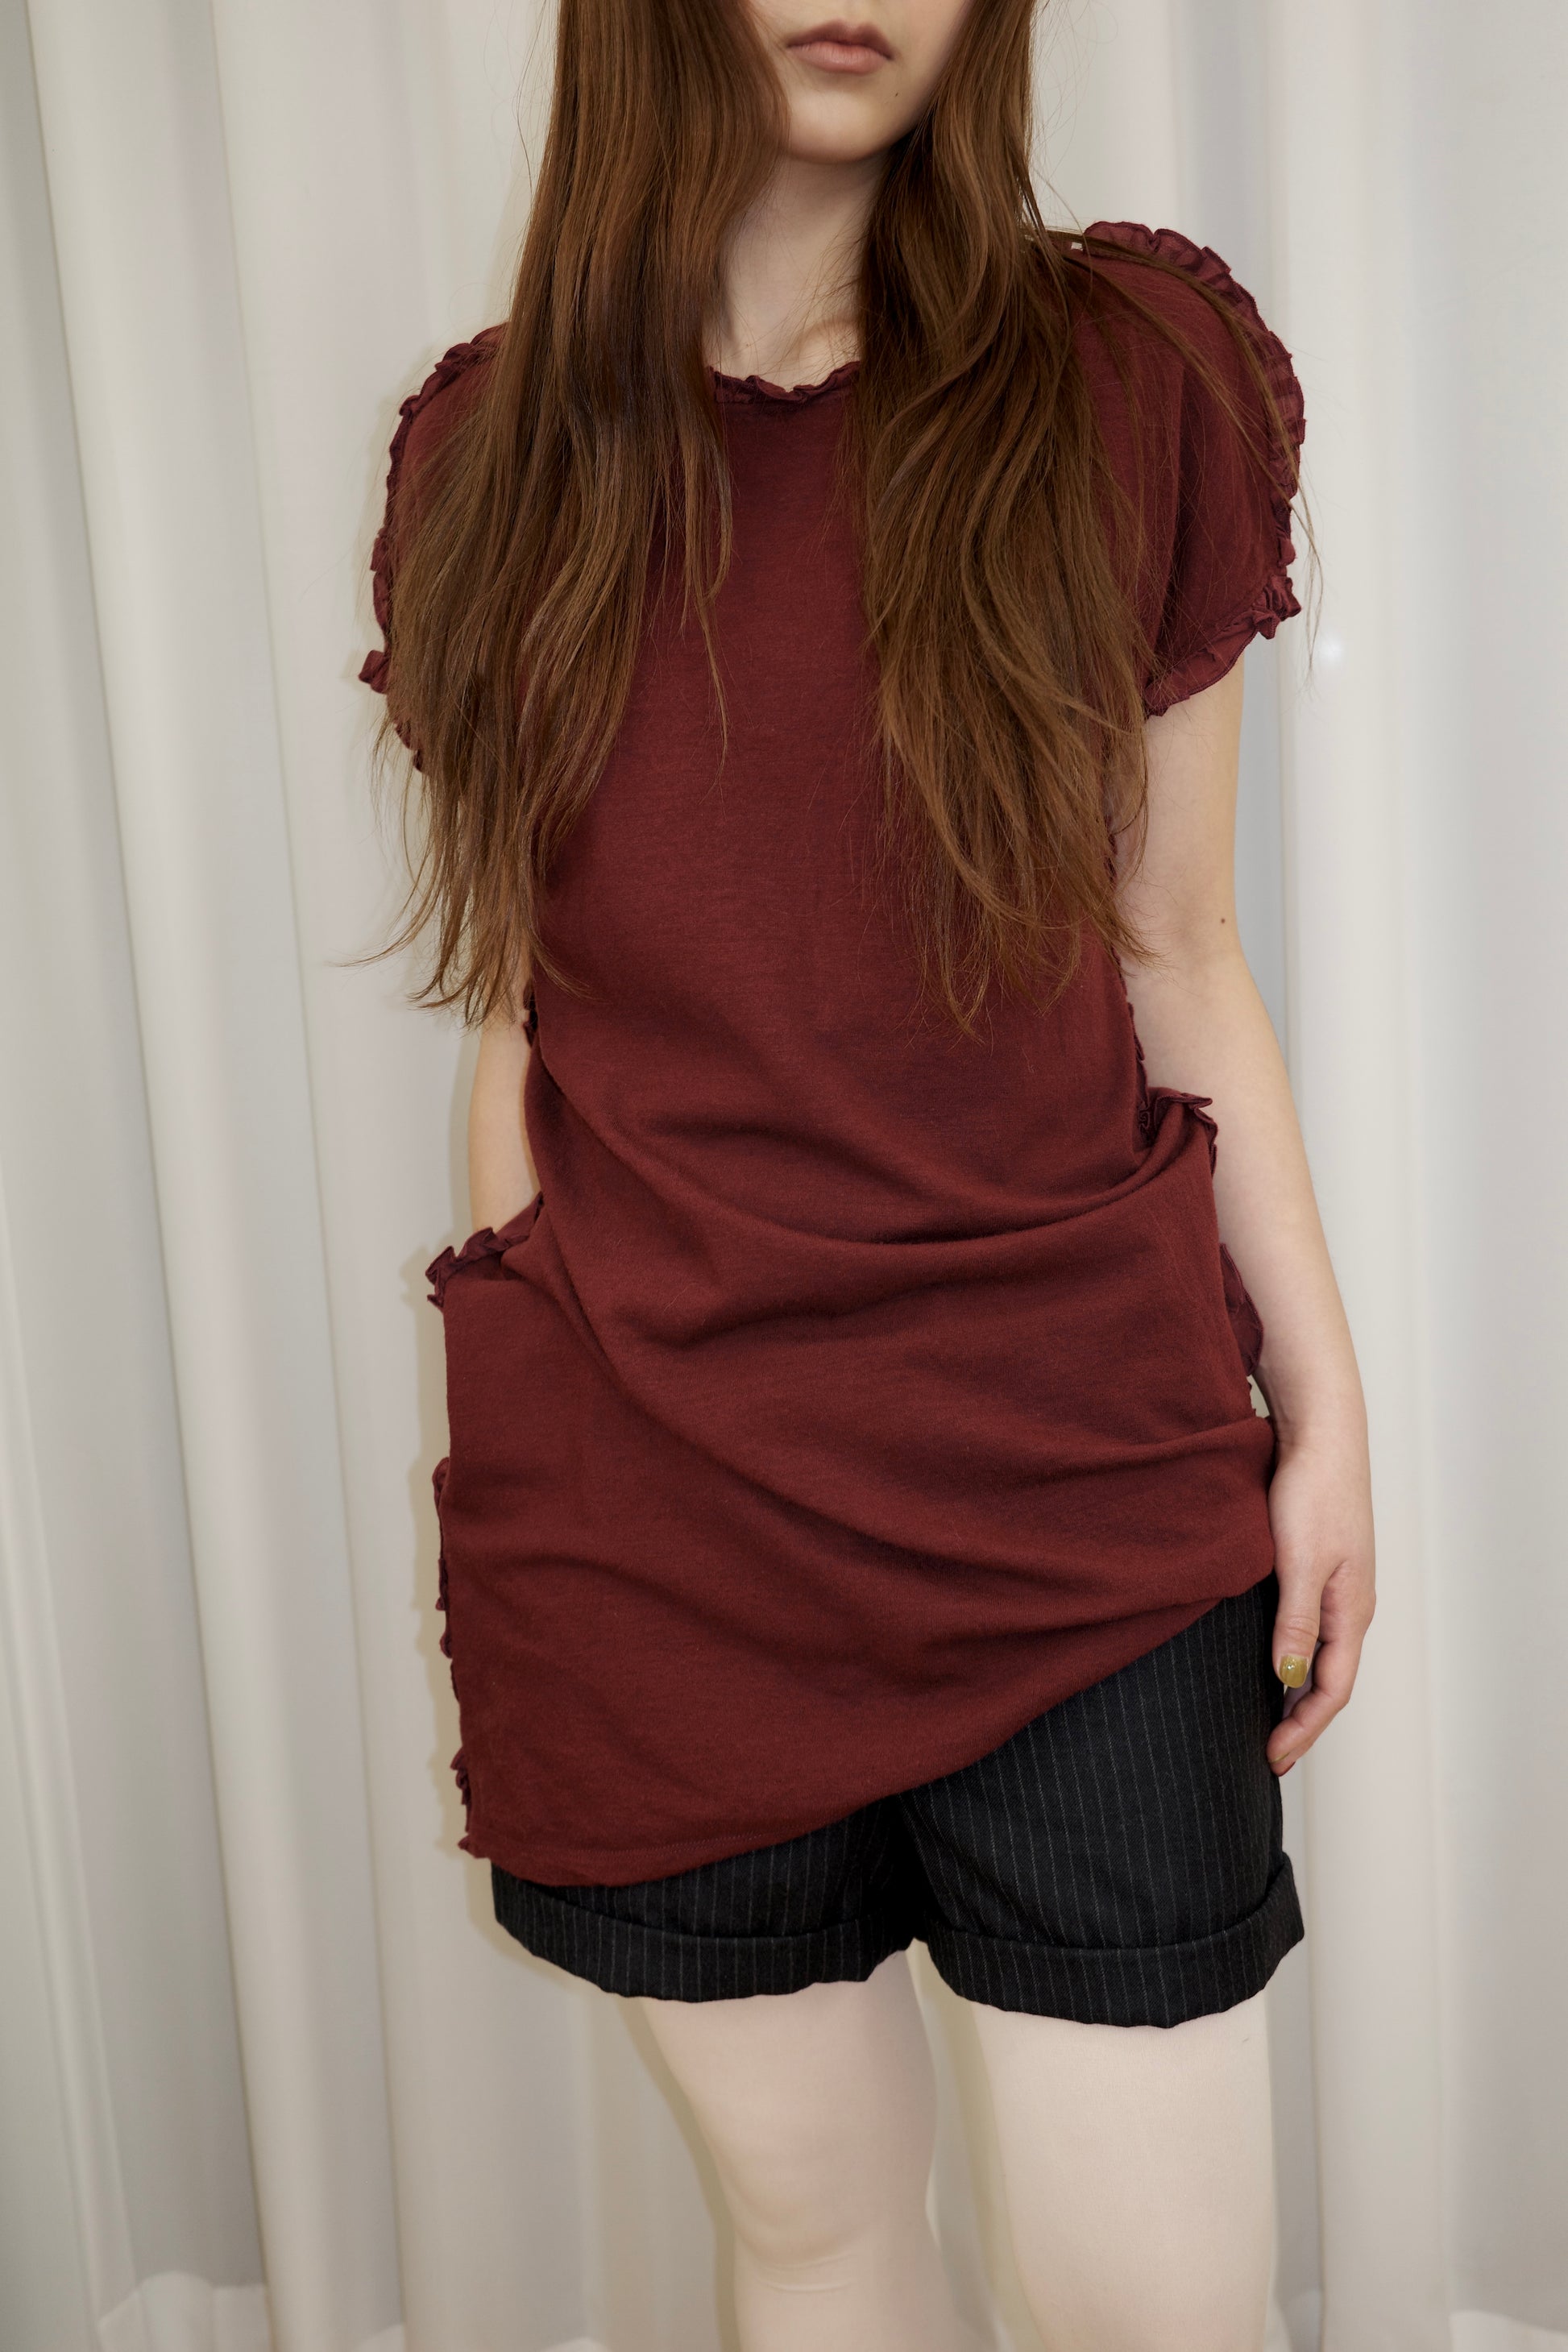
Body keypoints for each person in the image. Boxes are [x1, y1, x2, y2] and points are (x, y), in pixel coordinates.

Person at [359, 3, 1376, 2345]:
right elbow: (526, 1015)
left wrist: (1321, 1413)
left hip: (1079, 1491)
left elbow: (1177, 947)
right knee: (813, 2248)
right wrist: (529, 1405)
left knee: (1160, 2310)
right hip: (649, 1515)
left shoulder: (1125, 377)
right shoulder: (492, 457)